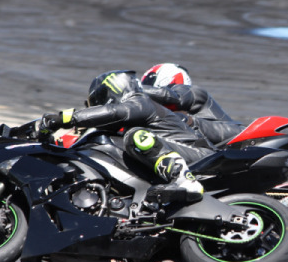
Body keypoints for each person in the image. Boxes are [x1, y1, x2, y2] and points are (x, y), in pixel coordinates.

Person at [38, 70, 210, 203]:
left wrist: (63, 118)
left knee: (136, 136)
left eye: (99, 98)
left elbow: (114, 112)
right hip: (185, 155)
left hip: (199, 156)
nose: (97, 105)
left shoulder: (140, 102)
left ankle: (183, 180)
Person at [141, 63, 288, 147]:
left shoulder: (191, 92)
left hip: (228, 138)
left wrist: (129, 89)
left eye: (149, 84)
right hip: (203, 147)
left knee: (179, 120)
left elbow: (169, 97)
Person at [141, 63, 245, 145]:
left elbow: (173, 97)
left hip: (233, 138)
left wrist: (133, 89)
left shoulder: (193, 92)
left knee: (178, 118)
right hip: (207, 149)